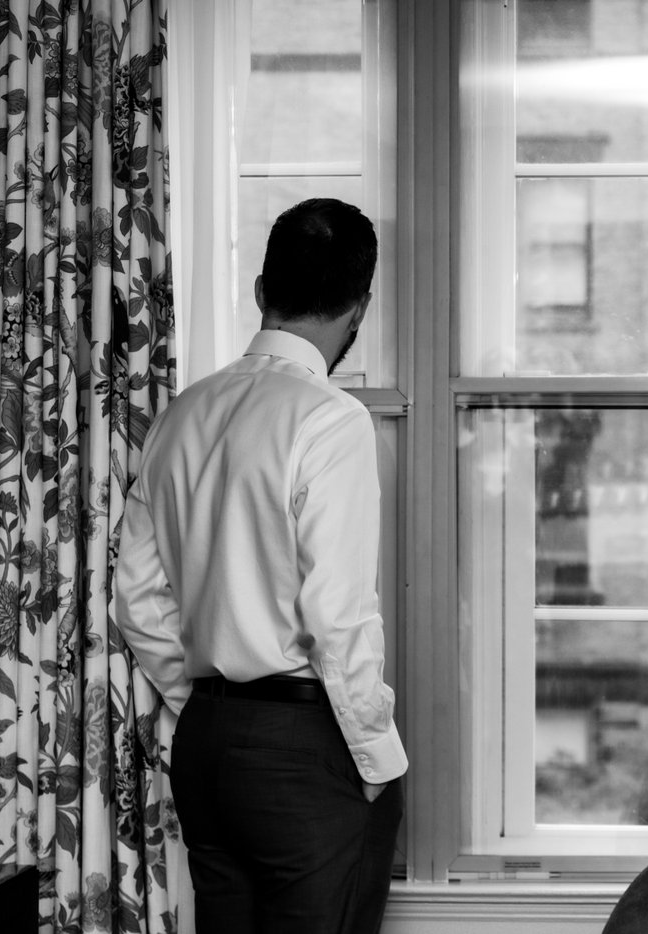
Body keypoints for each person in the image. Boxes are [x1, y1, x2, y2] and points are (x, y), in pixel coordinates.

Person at [115, 198, 406, 934]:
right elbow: (336, 613)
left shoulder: (184, 413)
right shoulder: (329, 419)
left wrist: (208, 705)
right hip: (305, 750)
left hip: (209, 746)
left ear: (260, 292)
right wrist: (375, 756)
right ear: (361, 305)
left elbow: (138, 602)